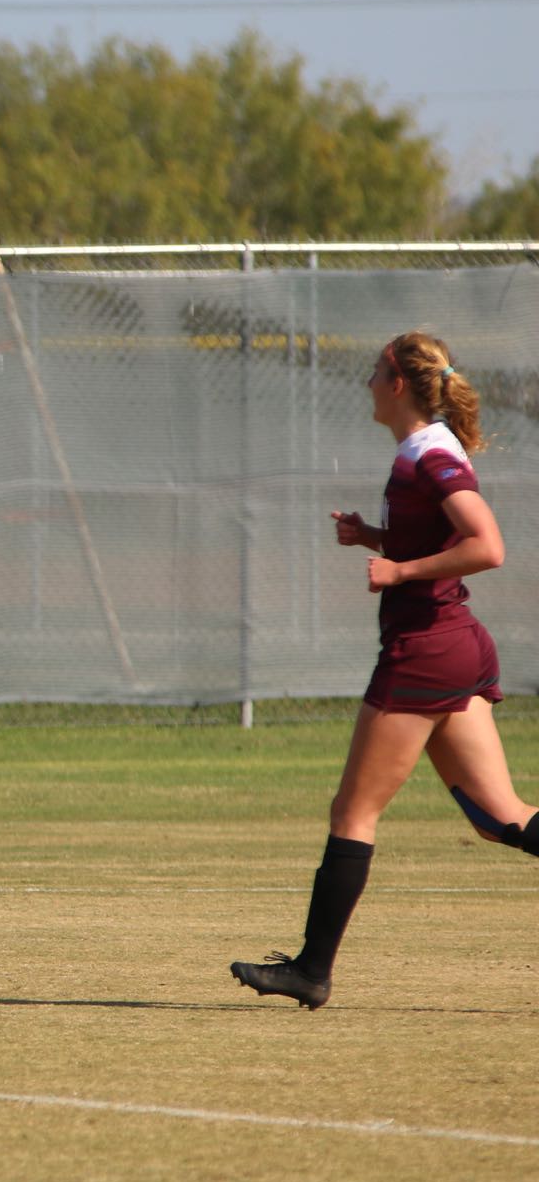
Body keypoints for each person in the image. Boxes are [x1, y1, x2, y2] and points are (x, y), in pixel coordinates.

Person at [232, 330, 521, 1009]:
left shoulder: (427, 456)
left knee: (353, 810)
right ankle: (310, 968)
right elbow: (437, 536)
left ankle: (311, 970)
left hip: (425, 650)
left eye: (373, 371)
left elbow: (487, 545)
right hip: (451, 642)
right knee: (500, 818)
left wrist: (399, 569)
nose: (364, 381)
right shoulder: (423, 451)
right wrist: (374, 538)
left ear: (397, 385)